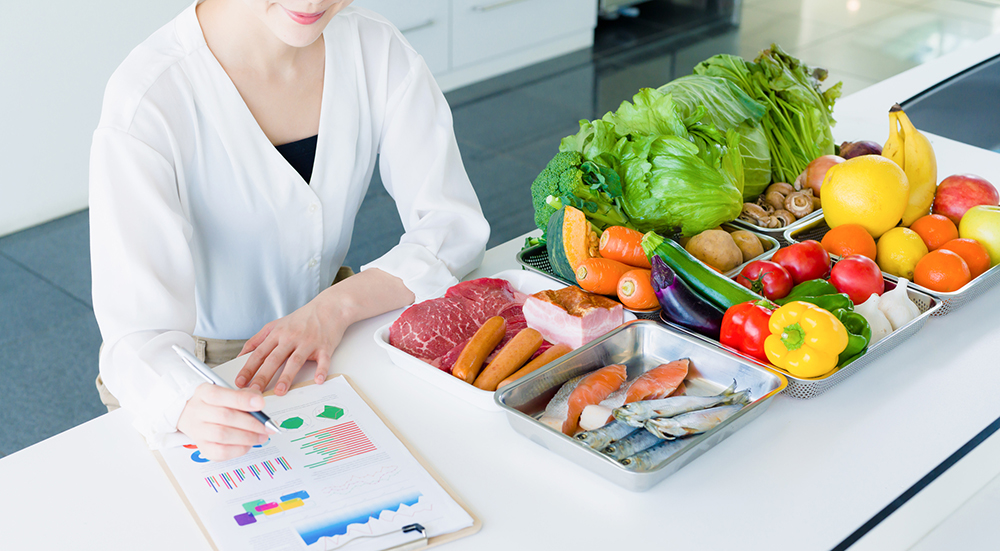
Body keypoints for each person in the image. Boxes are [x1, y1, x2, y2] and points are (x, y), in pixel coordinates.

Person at [89, 0, 489, 461]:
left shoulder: (375, 48)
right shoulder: (148, 99)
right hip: (200, 371)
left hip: (332, 338)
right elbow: (136, 334)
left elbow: (453, 226)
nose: (313, 2)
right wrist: (183, 398)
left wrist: (333, 308)